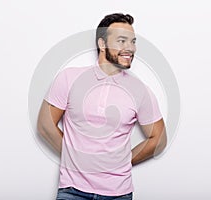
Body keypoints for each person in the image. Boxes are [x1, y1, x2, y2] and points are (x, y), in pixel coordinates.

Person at [37, 13, 167, 200]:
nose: (130, 48)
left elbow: (159, 138)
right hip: (73, 191)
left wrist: (122, 161)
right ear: (102, 44)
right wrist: (76, 158)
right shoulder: (69, 78)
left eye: (133, 41)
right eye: (122, 41)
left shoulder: (140, 91)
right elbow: (45, 125)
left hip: (118, 194)